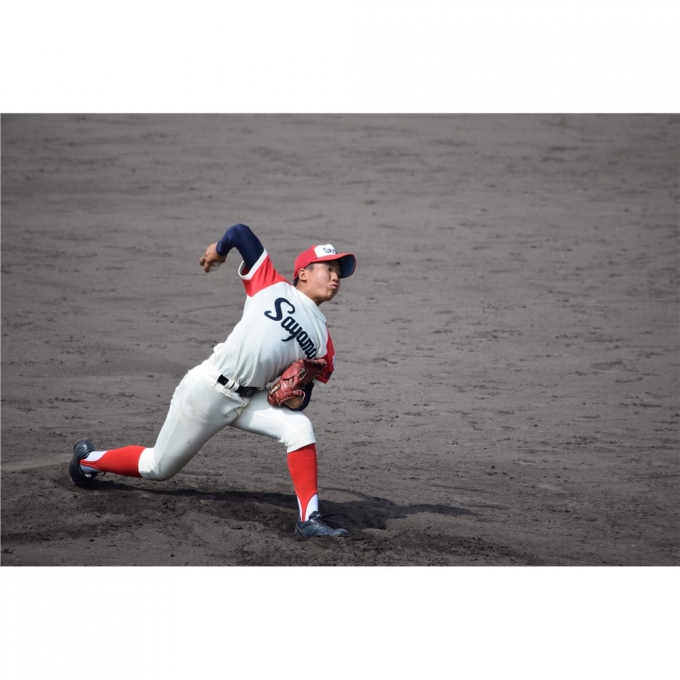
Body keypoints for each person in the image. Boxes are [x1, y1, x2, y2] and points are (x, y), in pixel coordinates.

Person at [69, 222, 356, 538]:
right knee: (157, 467)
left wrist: (295, 396)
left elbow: (303, 397)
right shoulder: (271, 284)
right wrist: (218, 252)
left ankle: (309, 520)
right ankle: (88, 461)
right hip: (208, 390)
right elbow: (240, 233)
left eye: (338, 274)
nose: (335, 278)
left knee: (299, 428)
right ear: (302, 273)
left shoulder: (323, 341)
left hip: (249, 401)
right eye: (328, 269)